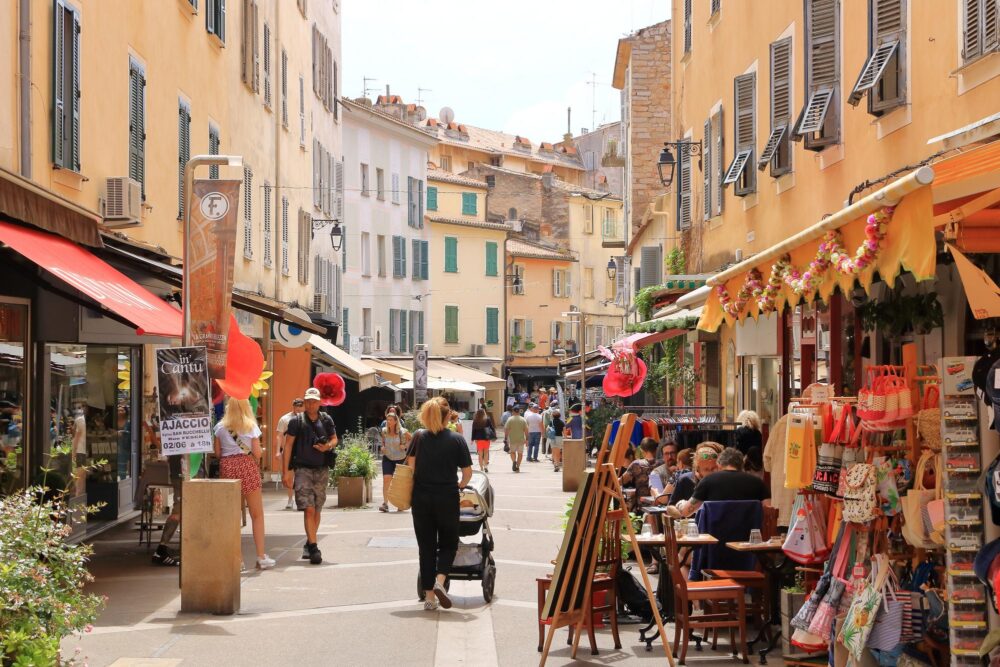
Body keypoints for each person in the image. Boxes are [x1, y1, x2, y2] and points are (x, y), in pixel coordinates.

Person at [407, 397, 473, 611]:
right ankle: (440, 580)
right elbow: (467, 472)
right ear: (447, 417)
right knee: (448, 543)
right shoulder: (456, 439)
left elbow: (410, 468)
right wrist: (460, 486)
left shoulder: (418, 437)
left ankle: (429, 598)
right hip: (447, 496)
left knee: (425, 547)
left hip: (421, 498)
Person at [214, 398, 275, 570]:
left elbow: (218, 453)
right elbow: (257, 453)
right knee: (257, 514)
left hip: (227, 467)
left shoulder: (219, 428)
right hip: (247, 466)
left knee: (232, 516)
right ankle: (261, 556)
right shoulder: (250, 426)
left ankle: (237, 560)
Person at [283, 387, 338, 565]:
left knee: (318, 508)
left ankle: (309, 541)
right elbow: (288, 445)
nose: (311, 404)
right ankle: (314, 548)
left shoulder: (326, 419)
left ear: (320, 402)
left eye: (314, 401)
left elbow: (335, 439)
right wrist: (286, 471)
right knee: (309, 508)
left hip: (321, 469)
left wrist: (327, 446)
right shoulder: (296, 421)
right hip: (302, 470)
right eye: (308, 401)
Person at [670, 447, 771, 517]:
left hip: (715, 543)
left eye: (713, 468)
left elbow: (686, 512)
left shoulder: (708, 481)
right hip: (750, 542)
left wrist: (681, 504)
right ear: (742, 464)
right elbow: (769, 511)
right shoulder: (758, 483)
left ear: (719, 464)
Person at [276, 398, 304, 510]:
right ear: (293, 406)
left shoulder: (306, 418)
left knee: (302, 474)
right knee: (289, 475)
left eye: (300, 406)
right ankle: (290, 499)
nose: (298, 408)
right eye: (296, 406)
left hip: (302, 449)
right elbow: (279, 435)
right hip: (289, 449)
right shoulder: (285, 419)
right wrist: (278, 451)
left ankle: (301, 498)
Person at [379, 412, 411, 512]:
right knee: (386, 479)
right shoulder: (384, 431)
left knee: (399, 482)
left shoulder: (403, 431)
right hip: (388, 457)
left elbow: (412, 439)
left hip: (400, 458)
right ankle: (385, 504)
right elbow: (383, 443)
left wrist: (405, 446)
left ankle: (400, 504)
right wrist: (382, 447)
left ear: (396, 421)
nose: (388, 422)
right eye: (387, 420)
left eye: (390, 420)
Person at [621, 439, 658, 511]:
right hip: (658, 505)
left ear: (642, 451)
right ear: (656, 450)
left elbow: (621, 481)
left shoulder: (637, 464)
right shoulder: (662, 463)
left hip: (642, 507)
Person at [504, 406, 528, 472]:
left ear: (513, 411)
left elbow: (506, 429)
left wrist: (505, 438)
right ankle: (517, 466)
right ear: (519, 411)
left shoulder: (510, 419)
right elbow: (526, 430)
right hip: (521, 440)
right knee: (520, 454)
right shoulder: (523, 419)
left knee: (512, 452)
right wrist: (527, 439)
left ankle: (514, 461)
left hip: (512, 439)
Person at [470, 408, 495, 473]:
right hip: (486, 439)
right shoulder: (487, 420)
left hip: (478, 439)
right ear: (484, 413)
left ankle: (481, 468)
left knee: (480, 454)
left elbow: (473, 431)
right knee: (486, 453)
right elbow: (492, 428)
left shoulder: (475, 421)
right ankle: (485, 466)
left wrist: (472, 439)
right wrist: (494, 437)